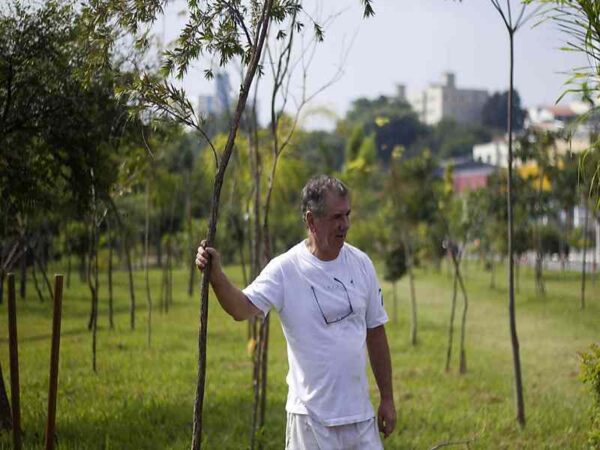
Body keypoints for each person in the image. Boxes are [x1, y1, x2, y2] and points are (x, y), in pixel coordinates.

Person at [196, 175, 396, 449]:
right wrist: (216, 275)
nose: (345, 225)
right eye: (337, 217)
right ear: (311, 220)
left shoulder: (361, 264)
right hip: (309, 422)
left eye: (347, 215)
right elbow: (240, 308)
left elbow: (375, 333)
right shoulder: (286, 270)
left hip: (359, 419)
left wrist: (387, 398)